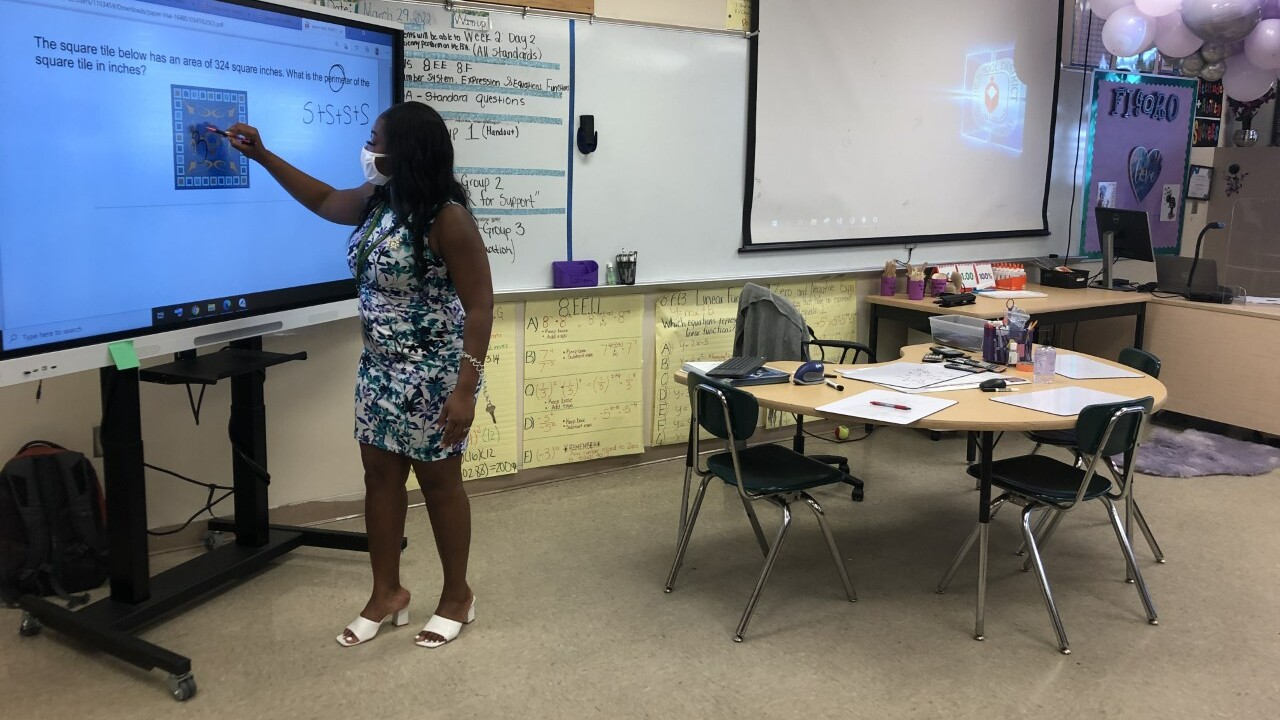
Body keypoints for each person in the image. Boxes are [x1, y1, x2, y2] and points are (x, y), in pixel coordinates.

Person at [227, 101, 493, 649]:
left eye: (376, 139)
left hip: (435, 377)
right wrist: (263, 155)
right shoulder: (379, 200)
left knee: (440, 484)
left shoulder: (448, 219)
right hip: (379, 370)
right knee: (379, 479)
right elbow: (324, 199)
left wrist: (466, 390)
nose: (368, 148)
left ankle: (457, 597)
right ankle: (387, 593)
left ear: (407, 151)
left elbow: (481, 307)